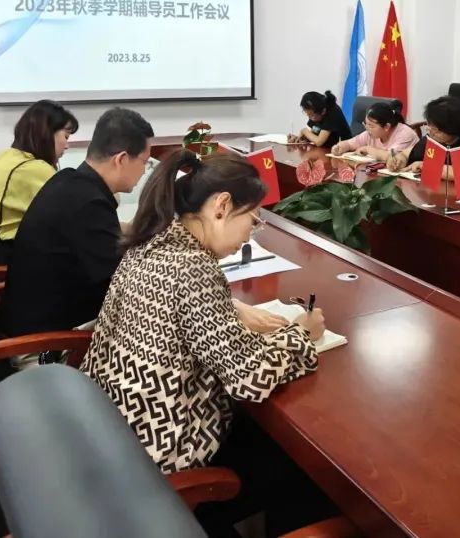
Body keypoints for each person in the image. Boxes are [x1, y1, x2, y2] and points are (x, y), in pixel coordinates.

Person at [82, 149, 330, 535]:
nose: (250, 232)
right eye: (252, 219)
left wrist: (232, 313)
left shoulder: (152, 242)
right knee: (303, 470)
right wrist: (302, 333)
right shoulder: (193, 268)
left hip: (113, 435)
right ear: (221, 206)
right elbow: (250, 378)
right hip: (161, 461)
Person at [0, 107, 153, 336]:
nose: (144, 171)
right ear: (121, 159)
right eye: (144, 162)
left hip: (31, 321)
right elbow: (127, 282)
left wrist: (144, 230)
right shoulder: (89, 204)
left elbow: (104, 233)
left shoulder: (69, 181)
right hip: (47, 344)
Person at [0, 100, 79, 268]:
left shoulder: (6, 156)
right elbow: (76, 214)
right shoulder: (34, 169)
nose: (67, 145)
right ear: (47, 134)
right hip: (3, 264)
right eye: (66, 137)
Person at [387, 95, 460, 178]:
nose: (429, 130)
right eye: (429, 124)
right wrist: (399, 160)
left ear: (450, 127)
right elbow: (406, 154)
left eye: (435, 128)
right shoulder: (433, 138)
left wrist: (425, 166)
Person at [330, 99, 418, 162]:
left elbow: (392, 157)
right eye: (366, 124)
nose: (367, 128)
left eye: (371, 126)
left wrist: (368, 149)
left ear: (386, 127)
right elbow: (350, 143)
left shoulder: (404, 133)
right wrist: (339, 147)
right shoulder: (370, 133)